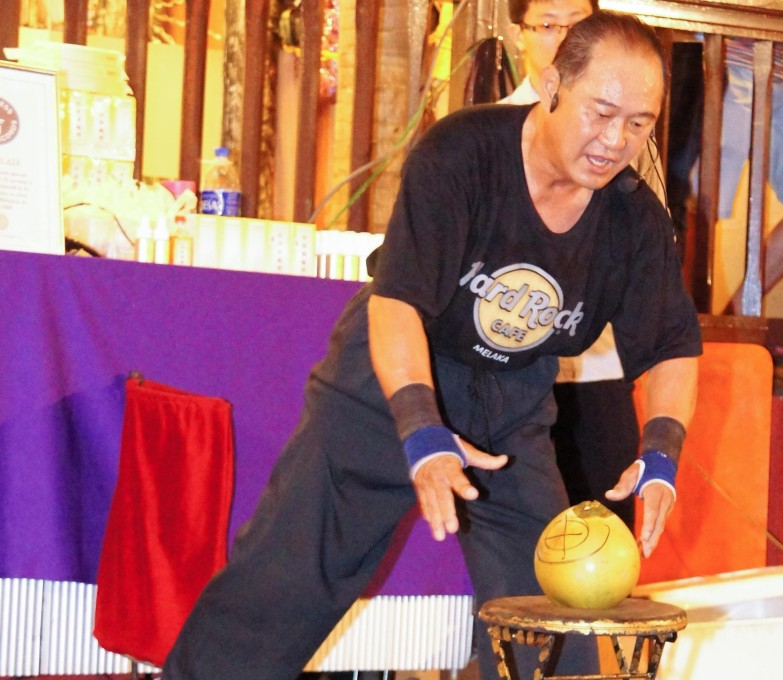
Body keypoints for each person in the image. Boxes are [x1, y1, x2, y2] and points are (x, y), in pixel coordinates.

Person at [161, 12, 701, 680]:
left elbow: (675, 344)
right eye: (602, 111)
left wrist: (663, 453)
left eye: (639, 123)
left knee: (557, 617)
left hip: (509, 408)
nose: (615, 140)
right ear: (554, 83)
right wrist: (419, 432)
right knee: (283, 587)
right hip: (386, 383)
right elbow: (398, 302)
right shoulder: (463, 154)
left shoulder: (632, 219)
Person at [500, 0, 642, 529]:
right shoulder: (485, 137)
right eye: (546, 25)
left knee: (605, 548)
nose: (562, 39)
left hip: (597, 375)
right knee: (520, 564)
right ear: (520, 36)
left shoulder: (621, 137)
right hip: (506, 385)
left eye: (576, 26)